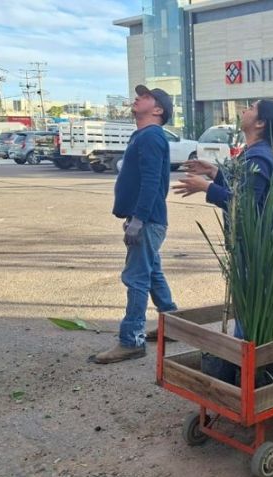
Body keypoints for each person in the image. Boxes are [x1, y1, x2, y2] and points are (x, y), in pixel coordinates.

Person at [170, 99, 273, 339]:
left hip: (257, 246)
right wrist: (214, 172)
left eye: (251, 108)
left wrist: (206, 187)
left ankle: (246, 351)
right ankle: (244, 349)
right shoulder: (255, 152)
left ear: (260, 123)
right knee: (248, 302)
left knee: (251, 303)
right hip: (255, 243)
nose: (244, 110)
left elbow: (244, 204)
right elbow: (242, 186)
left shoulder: (258, 157)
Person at [89, 85, 178, 364]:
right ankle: (173, 323)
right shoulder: (143, 135)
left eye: (146, 96)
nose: (138, 98)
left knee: (136, 277)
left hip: (148, 220)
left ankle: (131, 341)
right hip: (146, 218)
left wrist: (138, 219)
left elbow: (152, 182)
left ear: (158, 110)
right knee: (152, 272)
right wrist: (133, 216)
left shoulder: (151, 136)